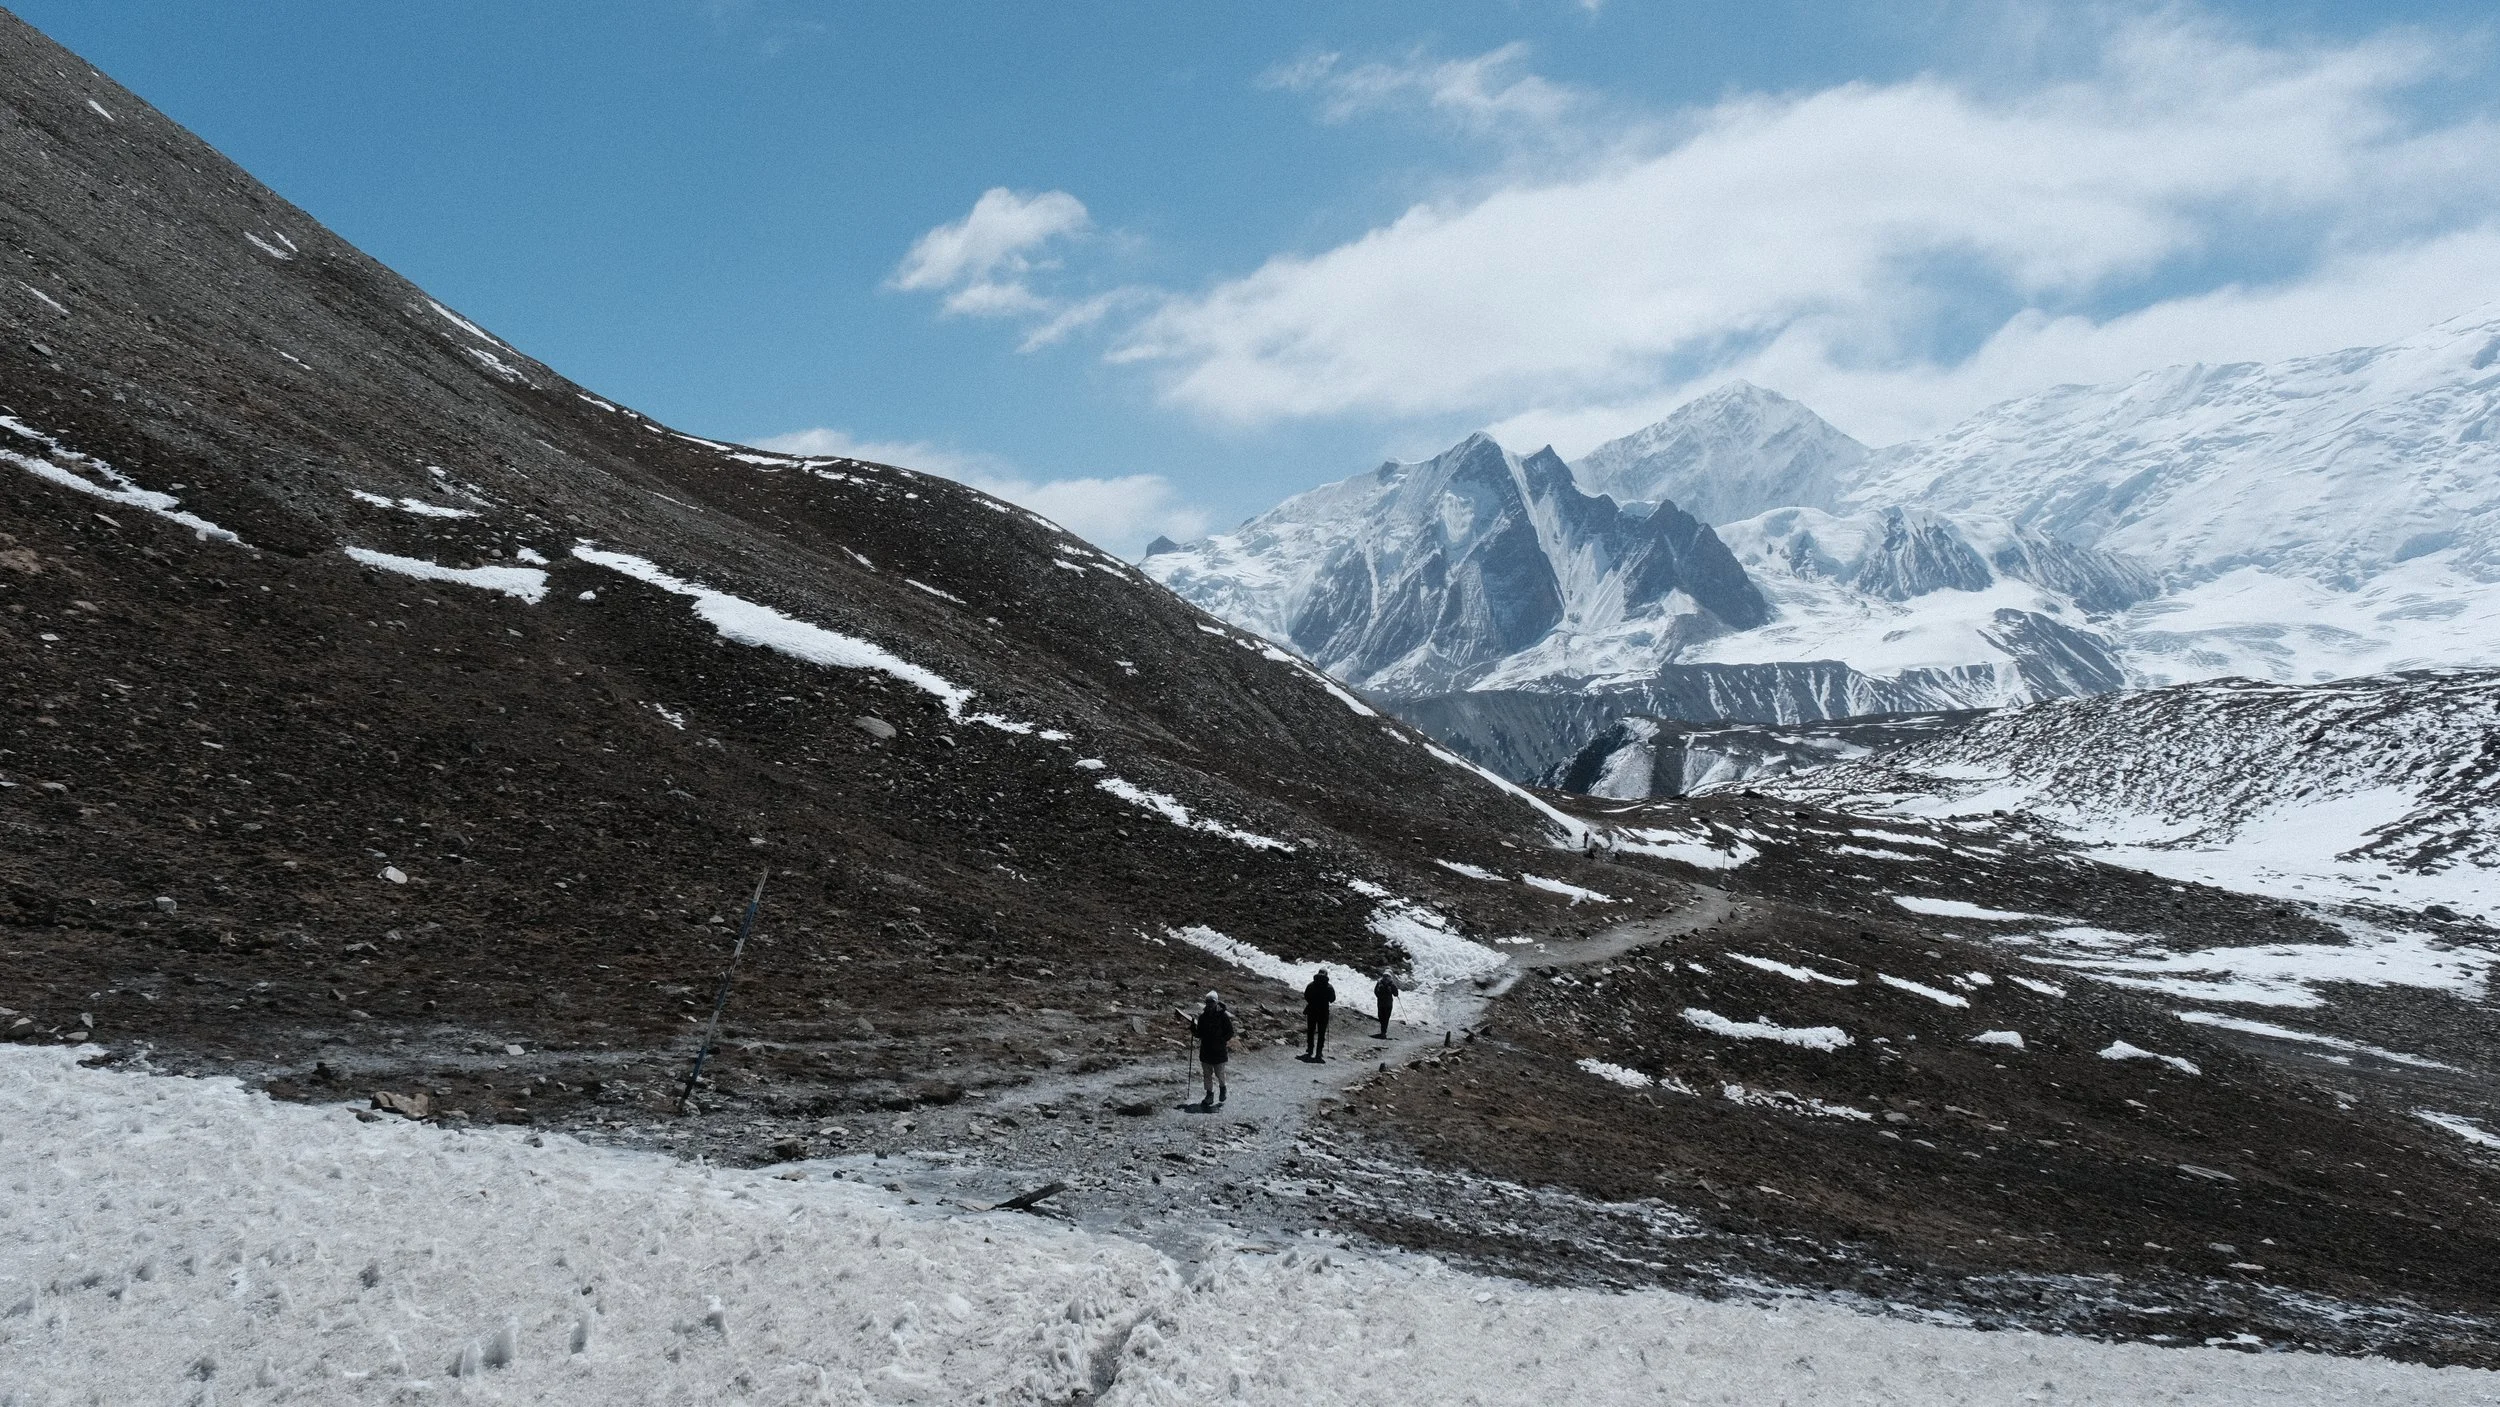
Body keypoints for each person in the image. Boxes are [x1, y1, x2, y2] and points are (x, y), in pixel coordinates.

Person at [1180, 991, 1233, 1110]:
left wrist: (1221, 1040)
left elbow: (1230, 1032)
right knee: (1207, 1075)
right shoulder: (1203, 1017)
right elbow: (1200, 1033)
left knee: (1220, 1073)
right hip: (1206, 1051)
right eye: (1207, 1002)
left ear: (1216, 1002)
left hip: (1219, 1051)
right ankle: (1209, 1095)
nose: (1209, 1004)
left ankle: (1223, 1088)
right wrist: (1194, 1030)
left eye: (1211, 1002)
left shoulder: (1223, 1016)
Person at [1301, 968, 1335, 1062]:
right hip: (1323, 1012)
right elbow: (1332, 999)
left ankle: (1310, 1049)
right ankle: (1319, 1052)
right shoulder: (1329, 987)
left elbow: (1306, 996)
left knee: (1311, 1031)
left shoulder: (1311, 985)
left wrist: (1312, 1002)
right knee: (1321, 1033)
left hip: (1312, 1011)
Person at [1372, 971, 1399, 1039]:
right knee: (1381, 1017)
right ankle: (1383, 1031)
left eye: (1387, 976)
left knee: (1386, 1017)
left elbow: (1396, 994)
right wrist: (1379, 996)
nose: (1386, 978)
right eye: (1384, 976)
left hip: (1388, 1004)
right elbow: (1375, 991)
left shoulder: (1391, 984)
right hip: (1381, 1003)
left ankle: (1383, 1032)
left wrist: (1393, 989)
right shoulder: (1379, 983)